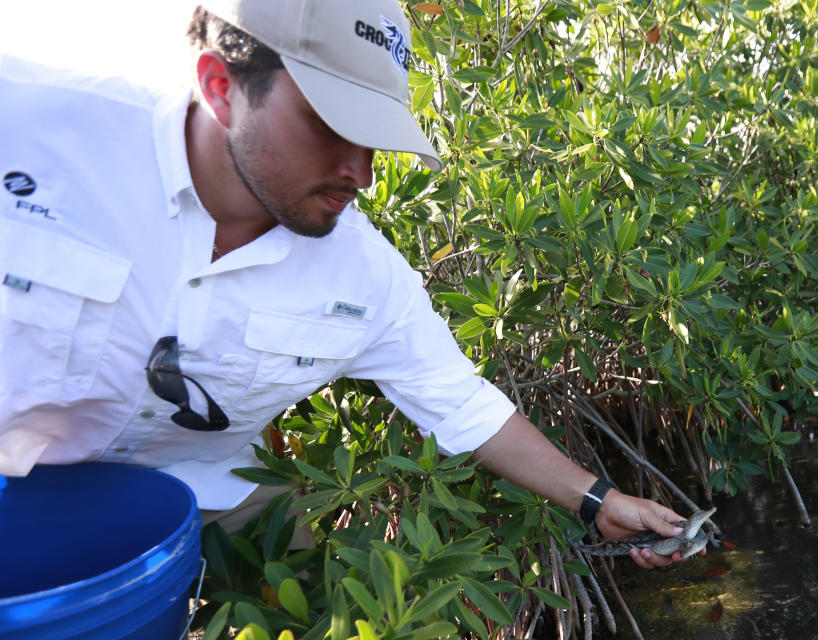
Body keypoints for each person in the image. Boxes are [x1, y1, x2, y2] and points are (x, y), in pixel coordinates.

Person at [0, 0, 697, 569]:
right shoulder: (28, 122)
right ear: (220, 86)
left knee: (318, 597)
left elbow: (460, 403)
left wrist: (597, 501)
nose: (361, 174)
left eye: (375, 139)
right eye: (332, 126)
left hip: (207, 485)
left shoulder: (364, 274)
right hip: (18, 478)